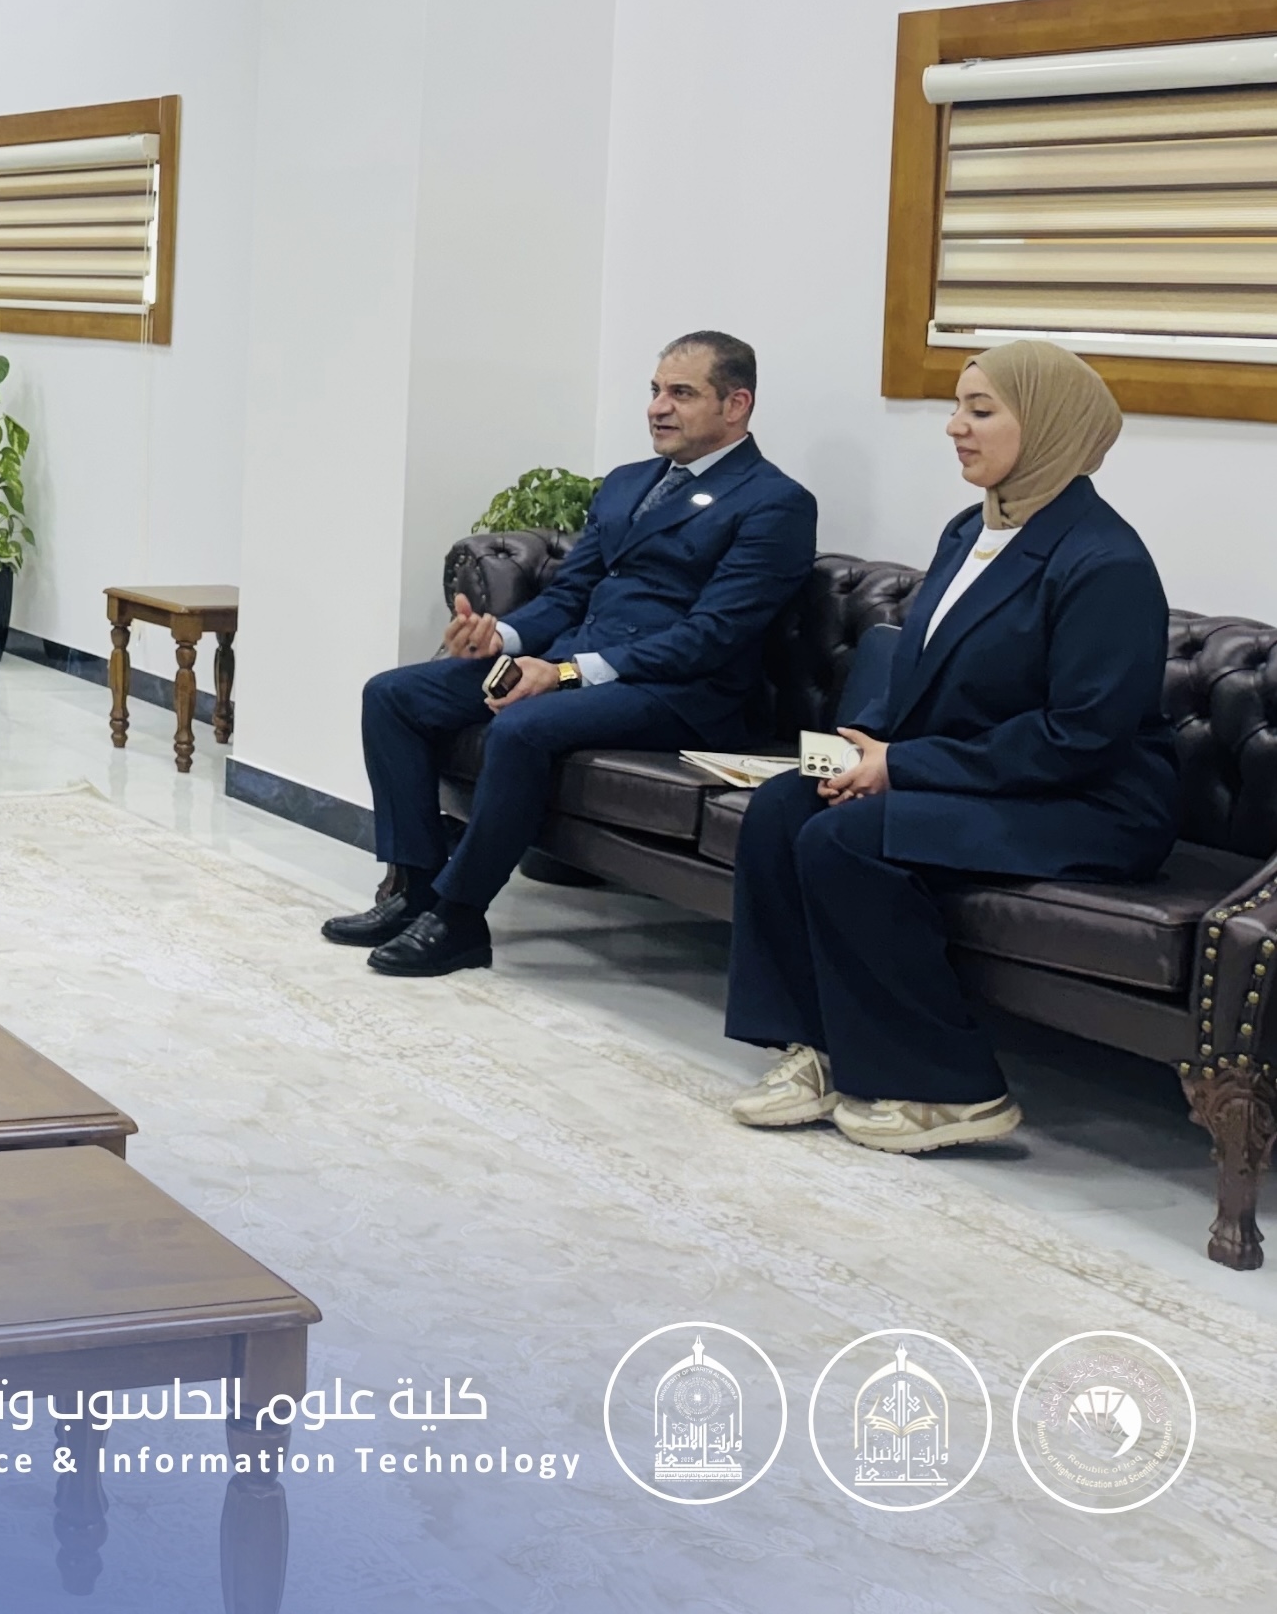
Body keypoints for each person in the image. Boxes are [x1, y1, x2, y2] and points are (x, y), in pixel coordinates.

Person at [723, 340, 1175, 1154]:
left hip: (1087, 804)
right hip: (985, 780)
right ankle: (818, 1049)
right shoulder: (971, 529)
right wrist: (870, 747)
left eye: (981, 410)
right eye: (957, 407)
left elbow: (1080, 737)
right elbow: (932, 675)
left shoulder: (1105, 560)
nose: (955, 427)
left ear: (1049, 425)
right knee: (785, 804)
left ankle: (954, 1089)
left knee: (847, 839)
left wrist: (901, 767)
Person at [326, 332, 819, 977]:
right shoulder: (627, 484)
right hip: (578, 665)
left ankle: (459, 917)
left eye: (681, 393)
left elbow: (713, 635)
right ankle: (414, 889)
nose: (657, 408)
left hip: (684, 692)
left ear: (736, 405)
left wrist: (564, 672)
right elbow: (570, 594)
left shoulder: (775, 502)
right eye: (655, 391)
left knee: (524, 726)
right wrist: (500, 637)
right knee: (394, 695)